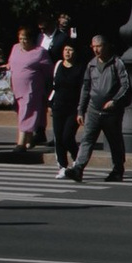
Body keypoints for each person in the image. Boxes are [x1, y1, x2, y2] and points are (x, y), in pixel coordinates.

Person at [72, 35, 129, 182]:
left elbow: (125, 85)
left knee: (114, 141)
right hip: (93, 110)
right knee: (87, 139)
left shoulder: (117, 63)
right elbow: (86, 88)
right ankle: (78, 168)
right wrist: (80, 110)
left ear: (107, 46)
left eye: (99, 46)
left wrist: (114, 100)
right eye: (94, 47)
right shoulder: (91, 65)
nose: (96, 50)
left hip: (111, 112)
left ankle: (118, 170)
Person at [5, 24, 49, 156]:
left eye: (25, 39)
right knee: (22, 112)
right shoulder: (15, 48)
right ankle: (30, 139)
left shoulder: (40, 52)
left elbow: (48, 71)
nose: (22, 41)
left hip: (32, 88)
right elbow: (11, 62)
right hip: (16, 88)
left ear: (31, 39)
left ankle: (21, 142)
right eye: (20, 38)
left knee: (27, 112)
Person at [46, 35, 85, 177]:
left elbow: (83, 88)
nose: (67, 52)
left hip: (73, 108)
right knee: (58, 137)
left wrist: (82, 108)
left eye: (70, 50)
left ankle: (77, 159)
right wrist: (50, 103)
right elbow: (53, 86)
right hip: (58, 106)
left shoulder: (81, 68)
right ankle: (62, 166)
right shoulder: (58, 65)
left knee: (67, 136)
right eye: (65, 50)